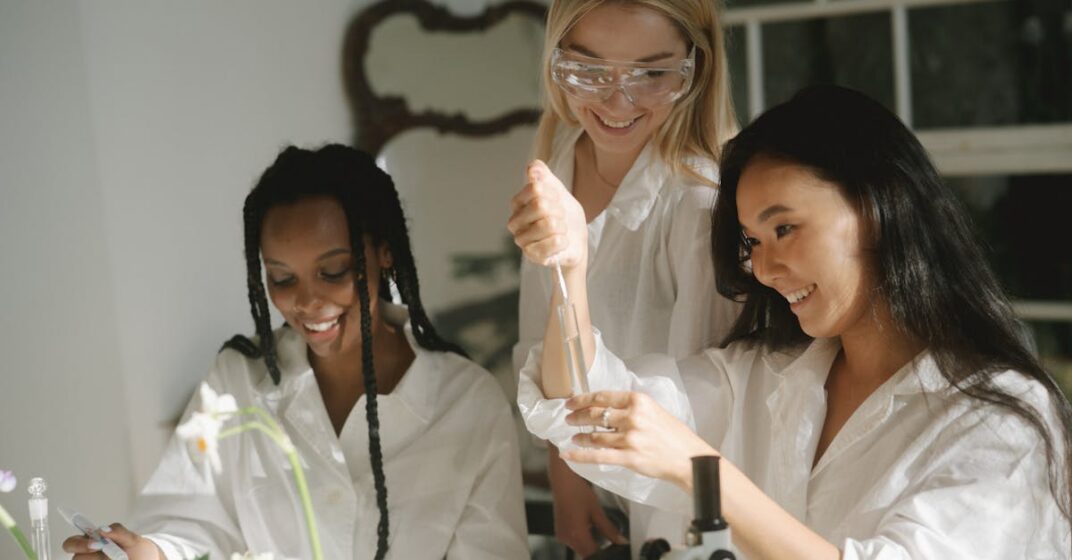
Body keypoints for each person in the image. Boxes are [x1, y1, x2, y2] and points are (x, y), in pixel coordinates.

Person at [517, 85, 1072, 558]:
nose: (763, 267)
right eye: (752, 242)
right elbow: (580, 409)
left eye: (785, 230)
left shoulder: (1001, 420)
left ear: (879, 207)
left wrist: (699, 468)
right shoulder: (762, 375)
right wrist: (569, 268)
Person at [64, 145, 528, 560]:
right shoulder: (237, 380)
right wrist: (148, 552)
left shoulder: (468, 405)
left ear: (384, 252)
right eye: (282, 279)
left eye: (334, 271)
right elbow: (191, 520)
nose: (306, 302)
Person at [507, 0, 739, 556]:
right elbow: (539, 336)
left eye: (652, 74)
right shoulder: (560, 156)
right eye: (587, 70)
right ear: (555, 60)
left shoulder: (699, 206)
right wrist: (566, 475)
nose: (616, 103)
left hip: (682, 506)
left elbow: (704, 411)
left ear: (696, 68)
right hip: (594, 479)